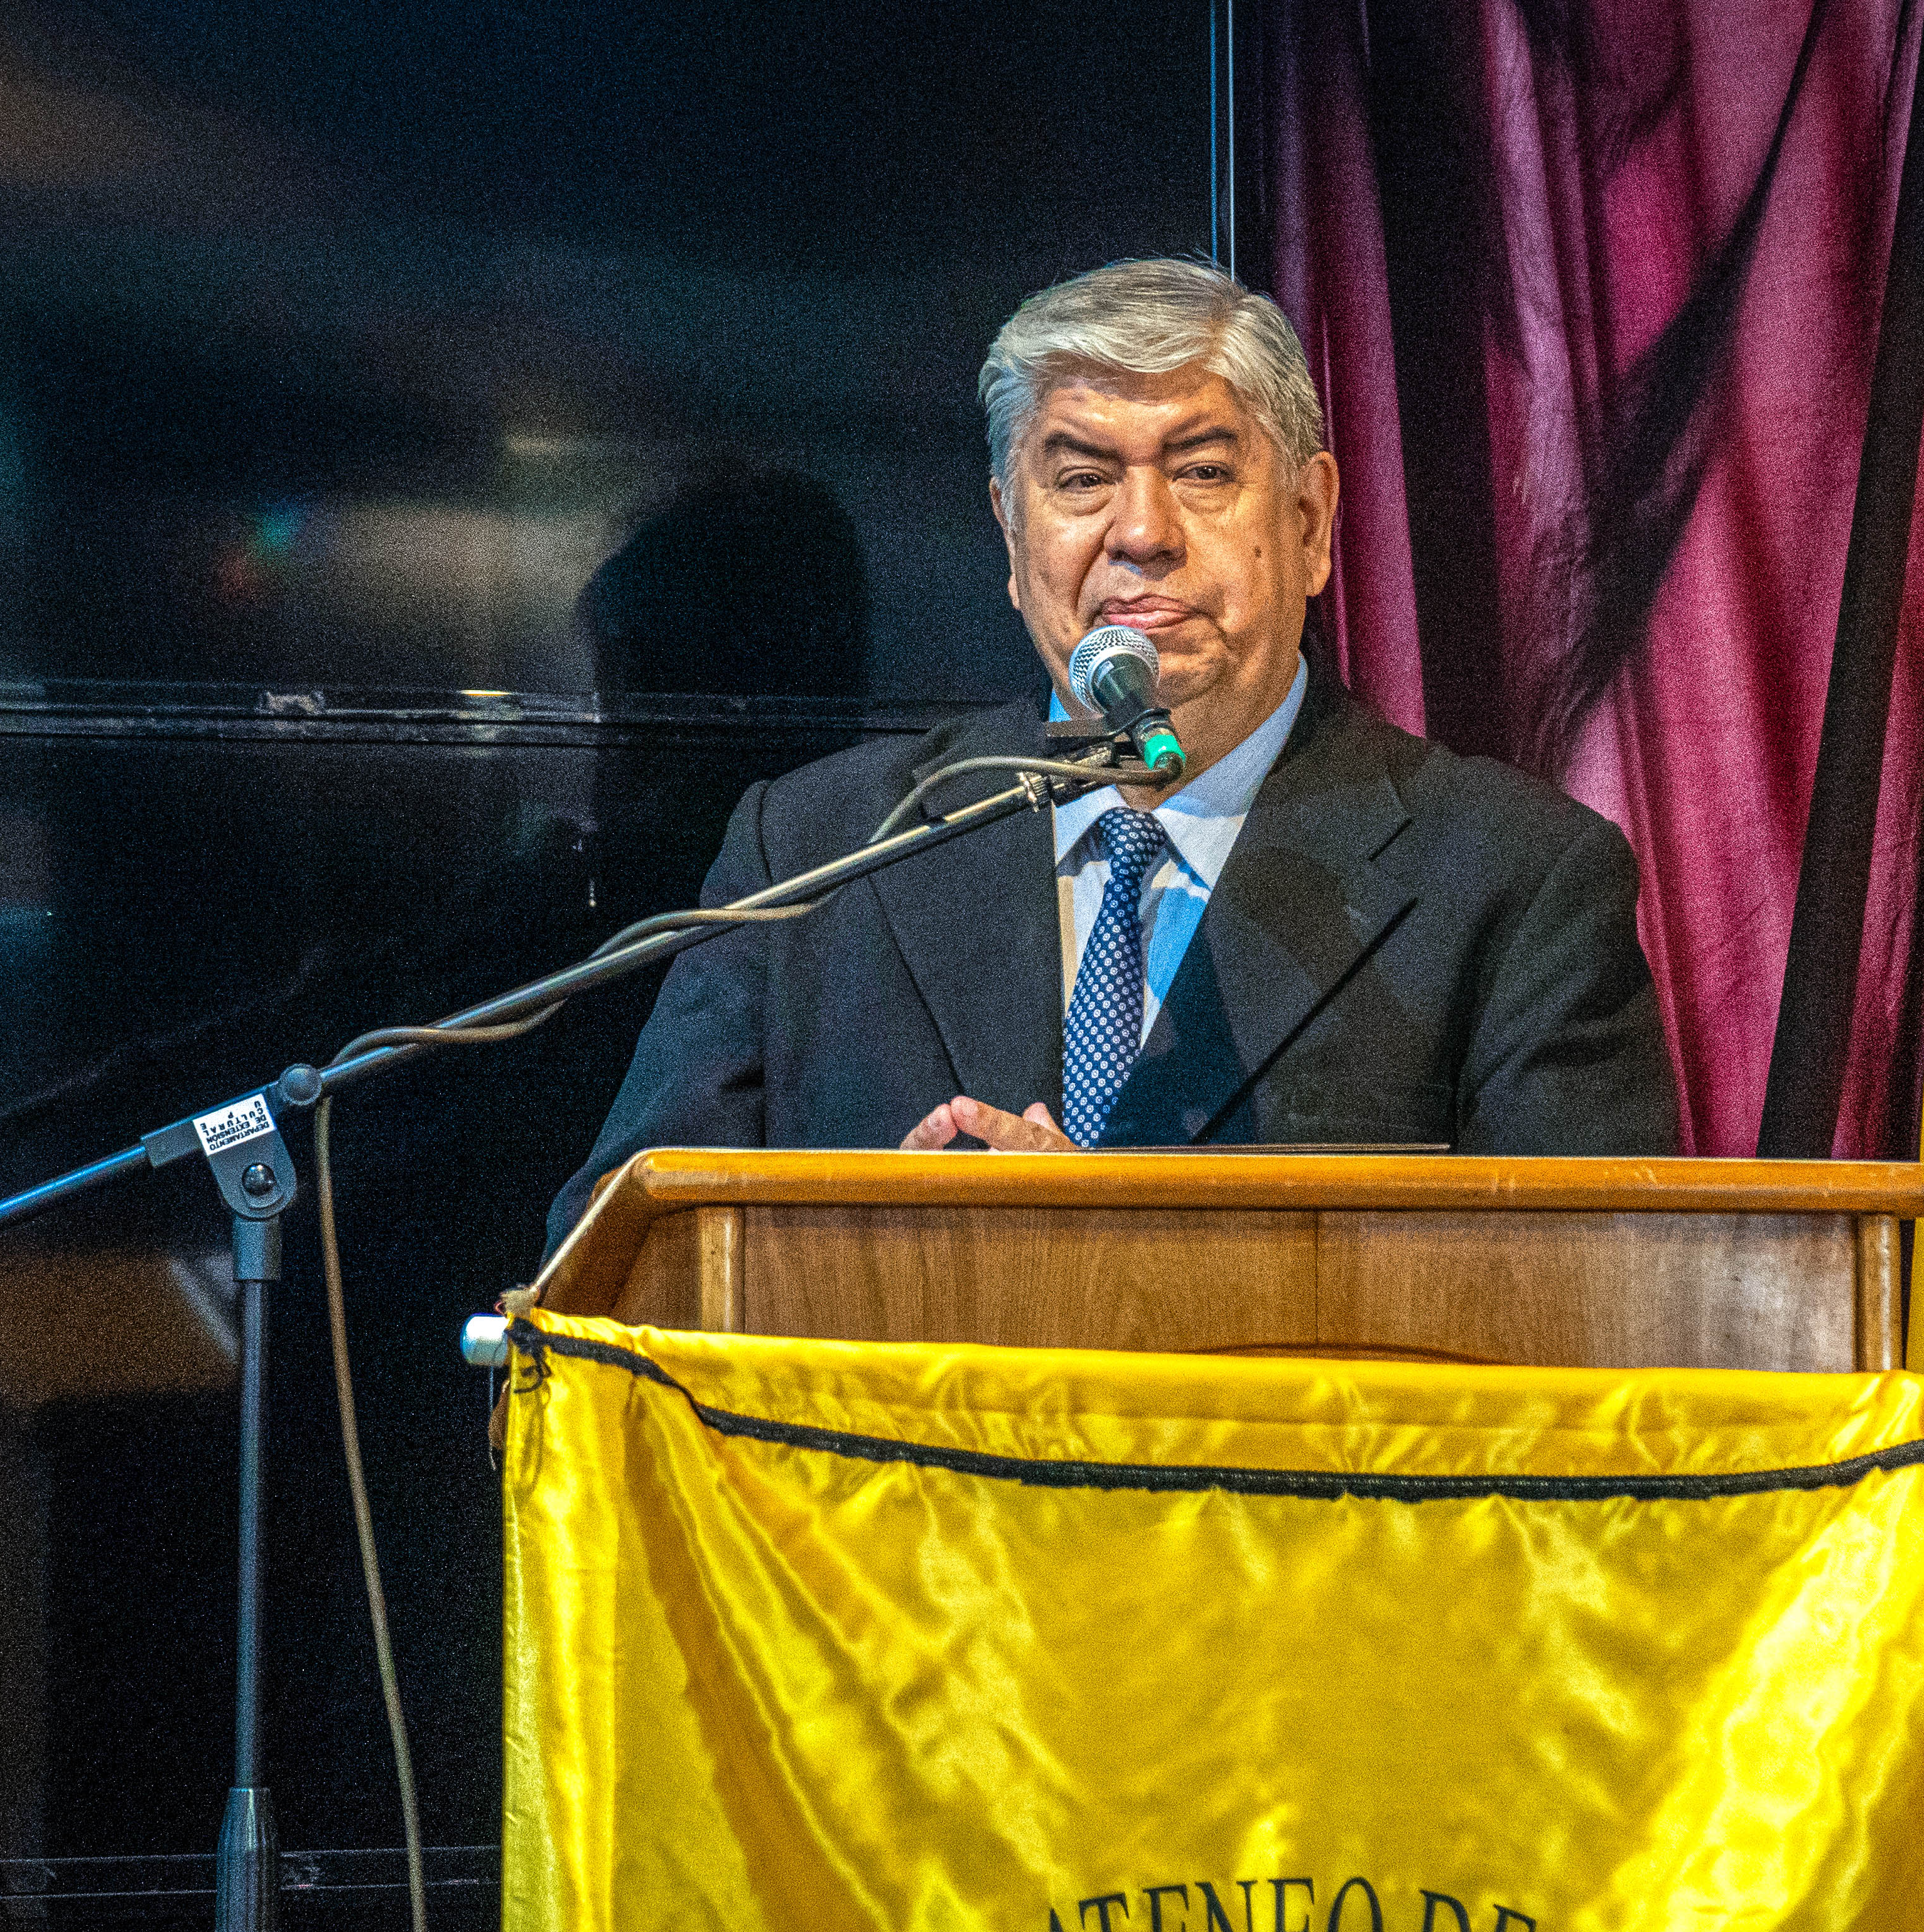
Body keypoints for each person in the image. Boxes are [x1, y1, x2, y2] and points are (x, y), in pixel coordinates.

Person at [548, 258, 1677, 1244]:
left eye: (1201, 471)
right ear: (1010, 534)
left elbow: (1586, 1329)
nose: (1142, 534)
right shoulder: (814, 853)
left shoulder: (1515, 881)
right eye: (1083, 479)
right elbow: (617, 1274)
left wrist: (1112, 1255)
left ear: (1312, 521)